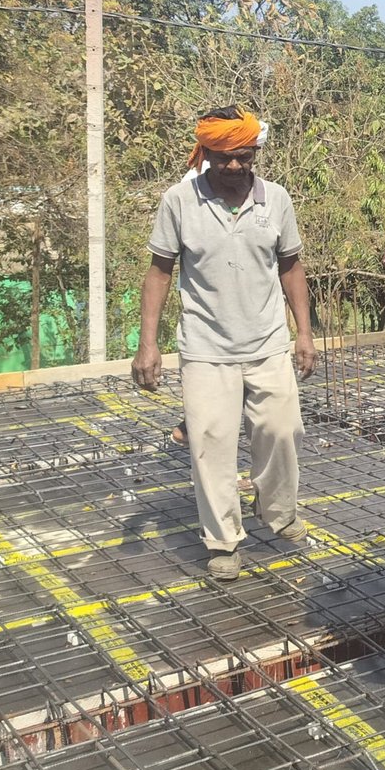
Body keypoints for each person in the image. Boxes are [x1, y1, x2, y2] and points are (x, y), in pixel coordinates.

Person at [132, 106, 317, 580]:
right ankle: (223, 540)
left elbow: (291, 267)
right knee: (210, 444)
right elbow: (160, 271)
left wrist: (304, 333)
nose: (233, 166)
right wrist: (148, 344)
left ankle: (276, 509)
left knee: (282, 431)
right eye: (222, 157)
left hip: (267, 341)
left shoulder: (276, 199)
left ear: (255, 152)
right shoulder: (179, 201)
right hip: (206, 346)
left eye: (243, 156)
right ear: (206, 153)